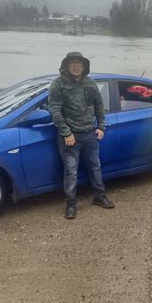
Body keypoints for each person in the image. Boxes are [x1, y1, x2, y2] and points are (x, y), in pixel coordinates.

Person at [49, 52, 114, 219]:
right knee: (71, 171)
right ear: (66, 65)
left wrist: (101, 127)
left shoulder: (90, 83)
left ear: (84, 66)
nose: (76, 66)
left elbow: (99, 106)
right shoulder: (58, 84)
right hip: (70, 137)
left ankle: (99, 197)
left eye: (79, 63)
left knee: (95, 167)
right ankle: (71, 204)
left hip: (90, 134)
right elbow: (55, 110)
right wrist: (66, 132)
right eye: (73, 63)